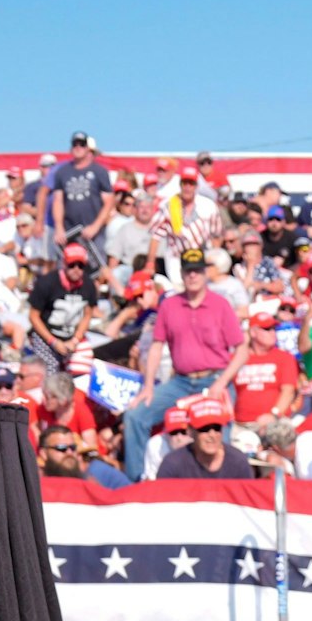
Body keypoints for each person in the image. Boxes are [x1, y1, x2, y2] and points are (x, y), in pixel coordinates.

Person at [122, 248, 247, 479]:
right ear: (181, 273)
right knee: (135, 416)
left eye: (197, 270)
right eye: (188, 271)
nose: (193, 275)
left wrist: (221, 383)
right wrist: (148, 386)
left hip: (214, 378)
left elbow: (241, 350)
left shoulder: (220, 304)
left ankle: (225, 489)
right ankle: (137, 484)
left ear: (205, 273)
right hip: (180, 382)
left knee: (219, 429)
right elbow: (157, 346)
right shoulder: (169, 306)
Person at [26, 241, 98, 369]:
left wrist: (75, 340)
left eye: (81, 266)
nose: (76, 269)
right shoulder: (46, 283)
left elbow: (87, 315)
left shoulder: (89, 285)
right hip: (45, 336)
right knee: (50, 369)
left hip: (72, 337)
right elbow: (33, 316)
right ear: (64, 264)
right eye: (72, 265)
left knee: (83, 367)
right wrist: (53, 342)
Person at [52, 131, 116, 262]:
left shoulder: (99, 172)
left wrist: (95, 226)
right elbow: (58, 201)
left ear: (88, 148)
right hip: (69, 232)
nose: (78, 147)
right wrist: (59, 227)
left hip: (94, 233)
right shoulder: (62, 172)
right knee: (68, 267)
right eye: (75, 144)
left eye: (82, 144)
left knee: (96, 268)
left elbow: (109, 202)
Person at [157, 395, 255, 479]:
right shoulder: (173, 464)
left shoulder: (238, 462)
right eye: (204, 429)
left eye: (216, 428)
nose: (212, 435)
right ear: (190, 431)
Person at [232, 313, 299, 426]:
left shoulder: (285, 357)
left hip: (275, 422)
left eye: (274, 328)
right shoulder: (237, 359)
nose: (272, 332)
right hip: (241, 423)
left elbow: (288, 391)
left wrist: (274, 414)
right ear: (253, 332)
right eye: (267, 329)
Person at [42, 423, 133, 489]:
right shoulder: (40, 481)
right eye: (61, 448)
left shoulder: (98, 472)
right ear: (44, 453)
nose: (69, 453)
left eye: (73, 448)